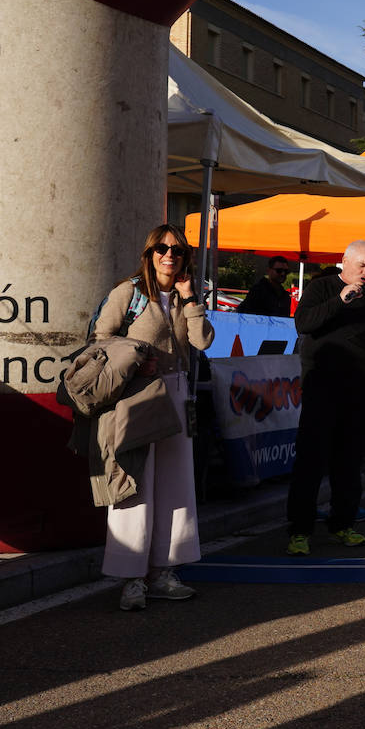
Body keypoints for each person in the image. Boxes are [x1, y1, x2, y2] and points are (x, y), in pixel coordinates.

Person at [94, 224, 214, 611]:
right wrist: (134, 358)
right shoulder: (128, 292)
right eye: (161, 249)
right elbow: (100, 338)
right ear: (148, 254)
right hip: (138, 396)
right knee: (136, 483)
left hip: (178, 393)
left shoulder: (184, 297)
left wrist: (190, 298)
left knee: (176, 487)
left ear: (185, 258)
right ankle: (132, 579)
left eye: (177, 250)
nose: (168, 255)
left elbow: (203, 341)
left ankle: (164, 572)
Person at [286, 240, 365, 554]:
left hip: (359, 388)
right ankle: (299, 531)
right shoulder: (322, 288)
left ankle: (343, 524)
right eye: (361, 265)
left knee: (348, 461)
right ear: (344, 262)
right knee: (311, 460)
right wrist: (340, 300)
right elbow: (303, 324)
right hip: (322, 388)